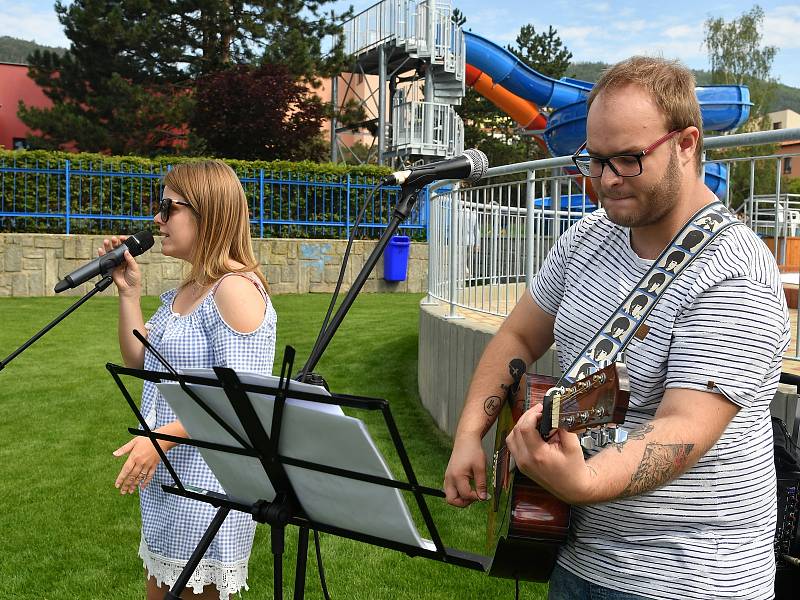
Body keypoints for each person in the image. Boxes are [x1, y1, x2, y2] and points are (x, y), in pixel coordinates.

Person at [444, 56, 789, 600]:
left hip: (690, 577)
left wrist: (583, 483)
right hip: (575, 555)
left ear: (686, 143)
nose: (604, 181)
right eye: (594, 159)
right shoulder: (586, 239)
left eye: (628, 160)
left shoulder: (734, 273)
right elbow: (517, 337)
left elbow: (682, 429)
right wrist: (470, 434)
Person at [101, 160, 277, 600]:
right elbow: (143, 362)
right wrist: (129, 293)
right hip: (174, 477)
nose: (157, 220)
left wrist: (162, 437)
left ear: (207, 212)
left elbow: (243, 402)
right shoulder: (193, 287)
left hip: (209, 484)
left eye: (168, 207)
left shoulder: (233, 289)